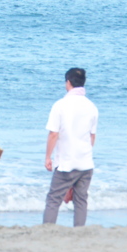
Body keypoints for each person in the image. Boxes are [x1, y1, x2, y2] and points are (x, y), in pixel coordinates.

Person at [43, 67, 98, 226]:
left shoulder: (60, 105)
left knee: (53, 199)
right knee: (81, 200)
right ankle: (79, 232)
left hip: (66, 162)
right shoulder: (91, 106)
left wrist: (48, 157)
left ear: (68, 82)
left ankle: (46, 231)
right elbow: (91, 137)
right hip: (86, 162)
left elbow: (53, 134)